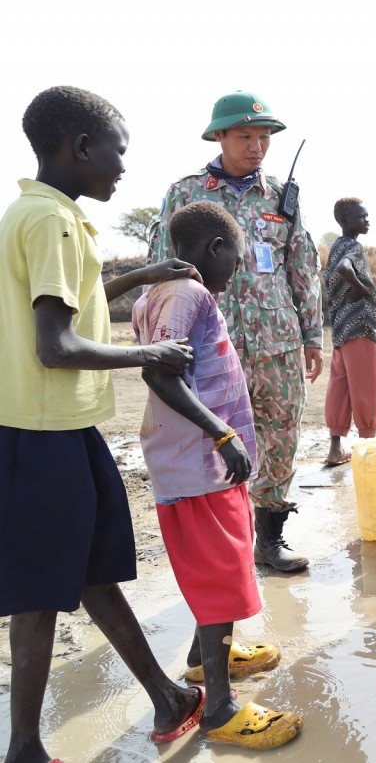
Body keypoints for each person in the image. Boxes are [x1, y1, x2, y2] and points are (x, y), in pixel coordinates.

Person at [2, 86, 204, 761]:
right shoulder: (54, 222)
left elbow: (68, 298)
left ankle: (168, 697)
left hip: (54, 427)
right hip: (42, 431)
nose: (122, 166)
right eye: (118, 151)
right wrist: (150, 351)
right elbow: (54, 345)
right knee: (36, 594)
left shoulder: (37, 212)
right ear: (81, 148)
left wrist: (143, 272)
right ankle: (26, 747)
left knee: (89, 570)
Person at [133, 201, 302, 749]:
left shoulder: (153, 295)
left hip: (186, 462)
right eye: (236, 257)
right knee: (223, 575)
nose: (237, 270)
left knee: (213, 572)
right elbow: (162, 374)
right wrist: (223, 434)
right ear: (214, 250)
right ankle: (221, 709)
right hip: (202, 463)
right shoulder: (189, 294)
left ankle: (203, 661)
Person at [151, 91, 323, 573]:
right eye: (245, 135)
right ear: (220, 136)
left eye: (264, 136)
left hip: (278, 343)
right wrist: (164, 341)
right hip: (211, 346)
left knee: (282, 433)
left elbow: (302, 268)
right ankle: (224, 547)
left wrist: (312, 337)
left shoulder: (280, 199)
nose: (257, 146)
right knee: (214, 442)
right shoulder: (186, 194)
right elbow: (159, 269)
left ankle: (269, 540)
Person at [323, 197, 376, 467]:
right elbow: (344, 269)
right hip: (360, 327)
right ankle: (369, 450)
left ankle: (336, 449)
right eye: (362, 216)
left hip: (340, 329)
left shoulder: (336, 246)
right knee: (366, 387)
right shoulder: (353, 248)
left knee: (341, 387)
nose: (367, 220)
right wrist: (360, 287)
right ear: (345, 221)